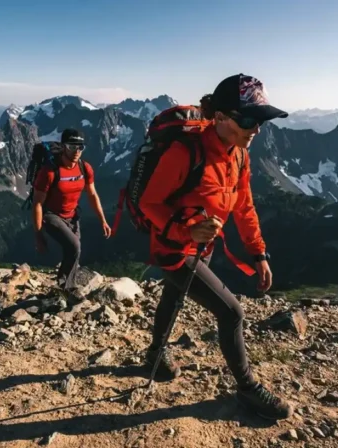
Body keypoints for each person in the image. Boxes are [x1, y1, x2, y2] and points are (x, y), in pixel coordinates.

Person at [137, 74, 294, 420]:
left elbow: (244, 206)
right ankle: (247, 388)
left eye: (261, 121)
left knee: (173, 295)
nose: (256, 129)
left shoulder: (238, 155)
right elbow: (150, 203)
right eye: (249, 120)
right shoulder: (185, 152)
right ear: (221, 118)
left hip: (199, 246)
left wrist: (258, 253)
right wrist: (186, 232)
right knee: (231, 312)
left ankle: (155, 355)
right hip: (173, 249)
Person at [31, 128, 112, 292]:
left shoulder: (84, 168)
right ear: (63, 146)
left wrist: (103, 220)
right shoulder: (49, 171)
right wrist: (39, 235)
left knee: (74, 251)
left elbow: (92, 194)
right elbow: (37, 204)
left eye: (80, 147)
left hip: (73, 215)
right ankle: (67, 289)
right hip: (51, 215)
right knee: (74, 247)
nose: (76, 151)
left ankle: (66, 285)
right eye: (71, 146)